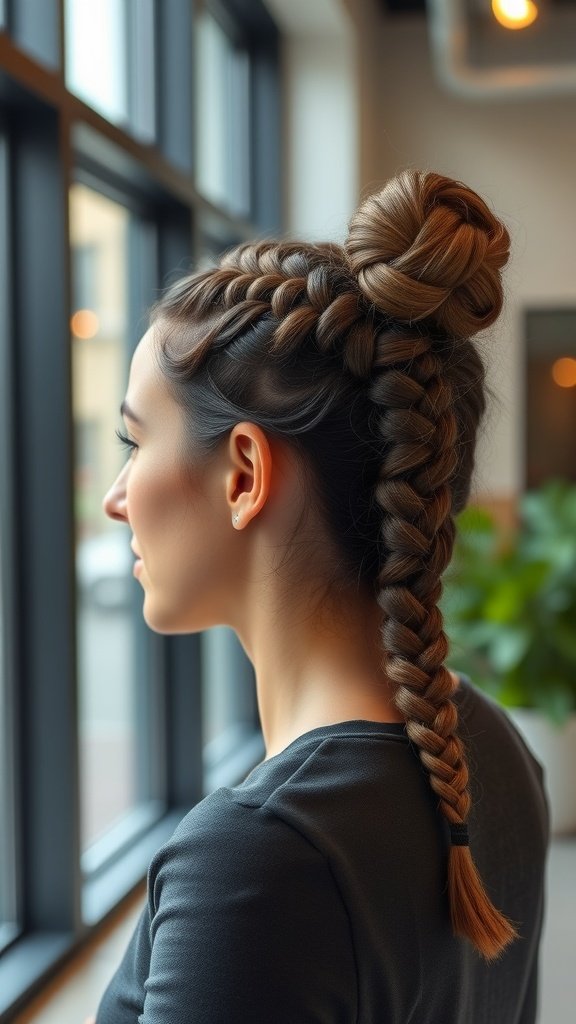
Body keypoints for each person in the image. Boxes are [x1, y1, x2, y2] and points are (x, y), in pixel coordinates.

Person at [93, 169, 548, 1023]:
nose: (115, 497)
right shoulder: (491, 751)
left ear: (243, 474)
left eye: (134, 439)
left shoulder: (257, 863)